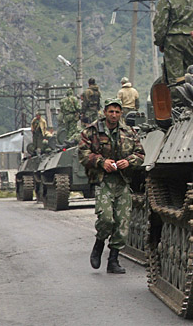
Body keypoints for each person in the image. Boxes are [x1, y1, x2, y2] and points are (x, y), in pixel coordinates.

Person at [78, 98, 144, 274]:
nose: (114, 115)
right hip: (104, 180)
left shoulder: (129, 132)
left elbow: (140, 154)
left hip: (122, 181)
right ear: (104, 112)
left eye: (117, 111)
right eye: (110, 111)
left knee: (122, 224)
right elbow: (83, 154)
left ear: (121, 113)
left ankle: (113, 260)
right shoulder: (92, 131)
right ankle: (99, 243)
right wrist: (101, 161)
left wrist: (128, 162)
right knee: (107, 219)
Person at [153, 0, 193, 85]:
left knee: (175, 77)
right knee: (192, 73)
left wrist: (160, 42)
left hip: (173, 41)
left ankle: (179, 102)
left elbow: (160, 24)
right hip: (191, 39)